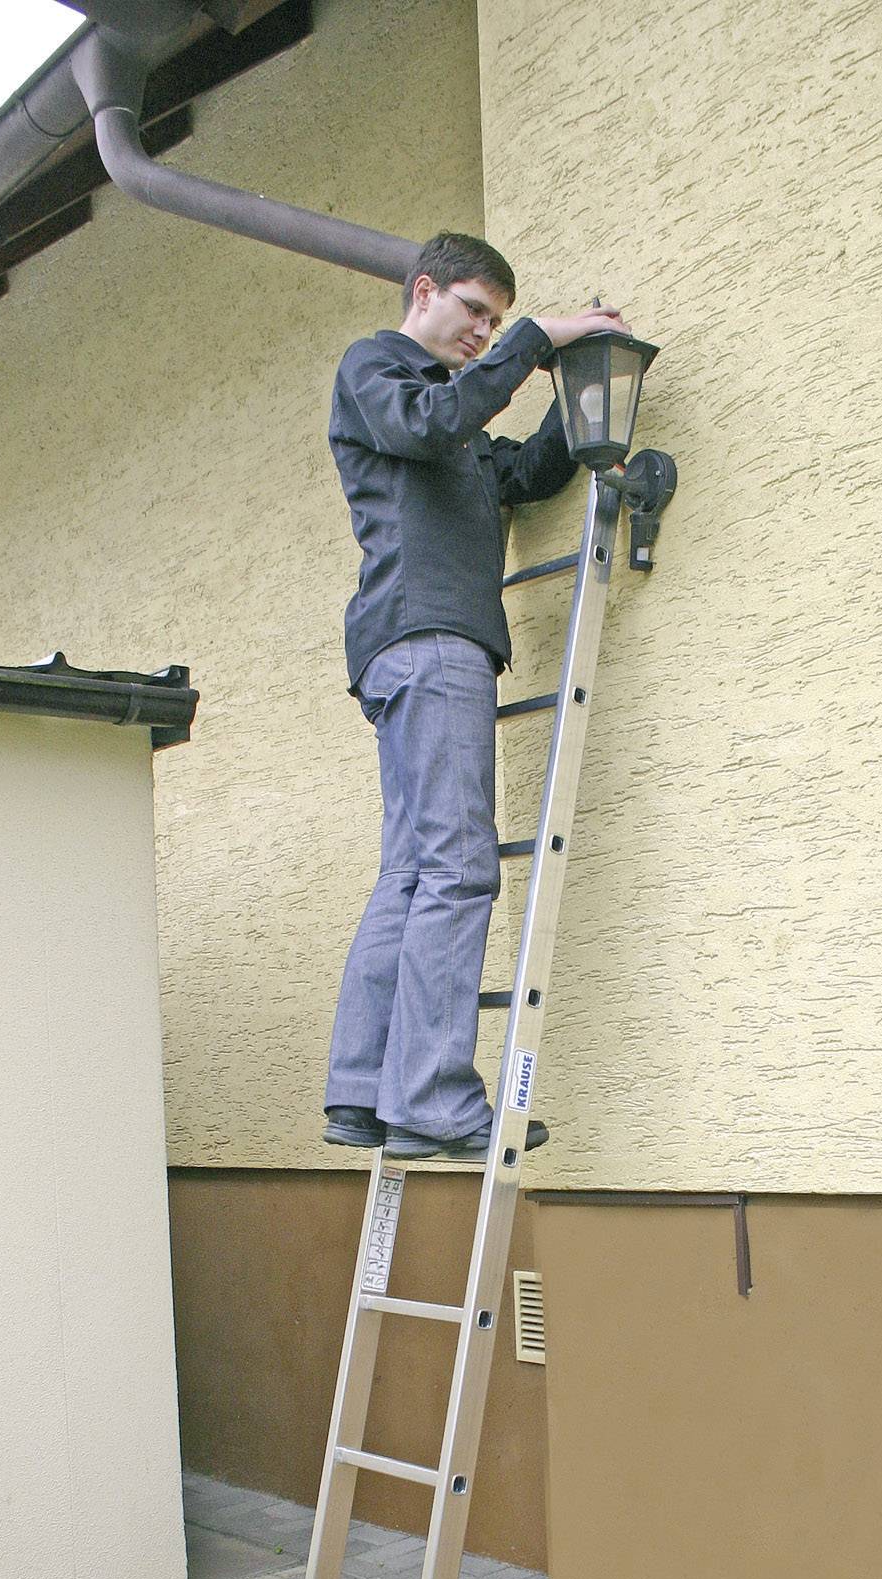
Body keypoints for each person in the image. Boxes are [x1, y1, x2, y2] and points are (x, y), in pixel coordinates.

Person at [322, 230, 627, 1162]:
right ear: (424, 292)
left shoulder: (450, 432)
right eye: (473, 314)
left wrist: (582, 391)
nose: (481, 334)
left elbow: (520, 473)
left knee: (414, 872)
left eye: (493, 320)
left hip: (416, 645)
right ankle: (436, 1098)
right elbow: (432, 423)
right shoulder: (379, 371)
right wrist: (532, 338)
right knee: (459, 868)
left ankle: (365, 1094)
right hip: (429, 639)